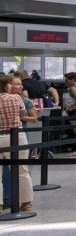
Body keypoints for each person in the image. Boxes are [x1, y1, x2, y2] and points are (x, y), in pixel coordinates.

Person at [0, 75, 33, 213]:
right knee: (22, 170)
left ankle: (0, 206)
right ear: (6, 85)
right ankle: (26, 203)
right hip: (16, 136)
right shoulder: (16, 98)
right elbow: (22, 114)